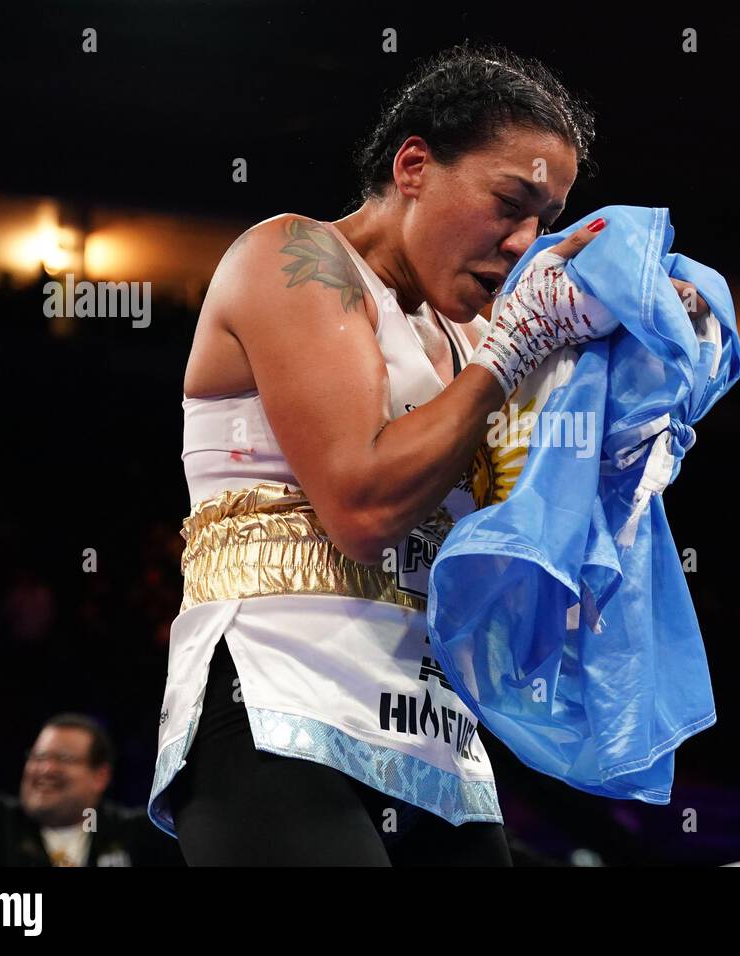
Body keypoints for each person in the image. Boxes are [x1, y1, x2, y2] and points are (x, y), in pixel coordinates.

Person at [146, 40, 623, 866]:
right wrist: (509, 356)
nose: (523, 244)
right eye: (509, 202)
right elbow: (362, 506)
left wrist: (646, 385)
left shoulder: (474, 336)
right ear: (413, 166)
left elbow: (537, 560)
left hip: (436, 732)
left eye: (542, 222)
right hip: (278, 704)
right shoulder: (294, 259)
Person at [0, 715, 186, 866]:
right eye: (38, 757)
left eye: (62, 759)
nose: (44, 769)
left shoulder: (136, 834)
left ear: (100, 776)